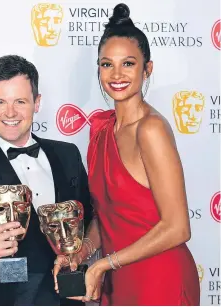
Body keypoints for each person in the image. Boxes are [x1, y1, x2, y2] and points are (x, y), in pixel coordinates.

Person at [54, 3, 200, 306]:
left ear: (147, 68)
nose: (116, 74)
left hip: (161, 279)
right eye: (107, 64)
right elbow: (107, 216)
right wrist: (82, 251)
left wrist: (104, 264)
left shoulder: (151, 129)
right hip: (119, 280)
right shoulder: (102, 129)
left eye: (128, 64)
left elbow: (178, 227)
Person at [0, 55, 93, 306]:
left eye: (20, 101)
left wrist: (82, 252)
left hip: (71, 299)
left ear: (37, 102)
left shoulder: (68, 155)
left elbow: (90, 218)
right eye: (0, 102)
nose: (10, 112)